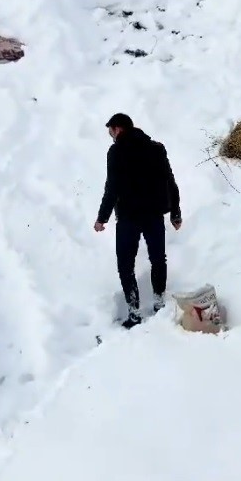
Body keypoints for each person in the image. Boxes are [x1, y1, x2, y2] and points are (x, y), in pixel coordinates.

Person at [94, 113, 183, 329]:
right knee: (158, 259)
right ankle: (159, 302)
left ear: (118, 129)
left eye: (110, 131)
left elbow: (112, 187)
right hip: (153, 215)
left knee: (126, 264)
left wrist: (102, 218)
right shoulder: (156, 148)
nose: (110, 136)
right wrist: (175, 214)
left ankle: (134, 312)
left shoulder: (116, 152)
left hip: (128, 217)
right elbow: (171, 182)